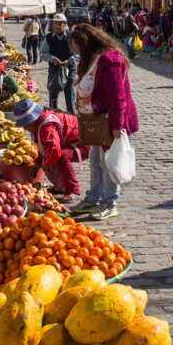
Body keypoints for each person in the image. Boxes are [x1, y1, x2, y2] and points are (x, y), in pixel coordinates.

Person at [68, 24, 139, 221]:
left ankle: (110, 202)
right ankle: (94, 197)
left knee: (108, 163)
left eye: (76, 46)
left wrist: (117, 126)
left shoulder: (110, 60)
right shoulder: (93, 59)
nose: (75, 51)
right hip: (97, 119)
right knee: (96, 161)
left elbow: (118, 97)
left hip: (109, 120)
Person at [12, 99, 87, 201]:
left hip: (86, 142)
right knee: (48, 157)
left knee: (62, 156)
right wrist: (37, 164)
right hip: (70, 142)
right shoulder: (38, 125)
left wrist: (44, 165)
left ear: (32, 120)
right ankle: (60, 187)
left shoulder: (47, 127)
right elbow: (43, 148)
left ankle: (73, 190)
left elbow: (55, 151)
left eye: (26, 125)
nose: (25, 128)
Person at [42, 13, 77, 113]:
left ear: (65, 24)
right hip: (54, 68)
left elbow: (78, 54)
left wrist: (69, 61)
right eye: (55, 23)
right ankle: (53, 114)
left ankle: (72, 114)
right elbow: (43, 53)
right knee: (53, 91)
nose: (57, 26)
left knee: (69, 91)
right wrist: (52, 58)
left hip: (70, 68)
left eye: (60, 23)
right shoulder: (48, 37)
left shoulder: (71, 37)